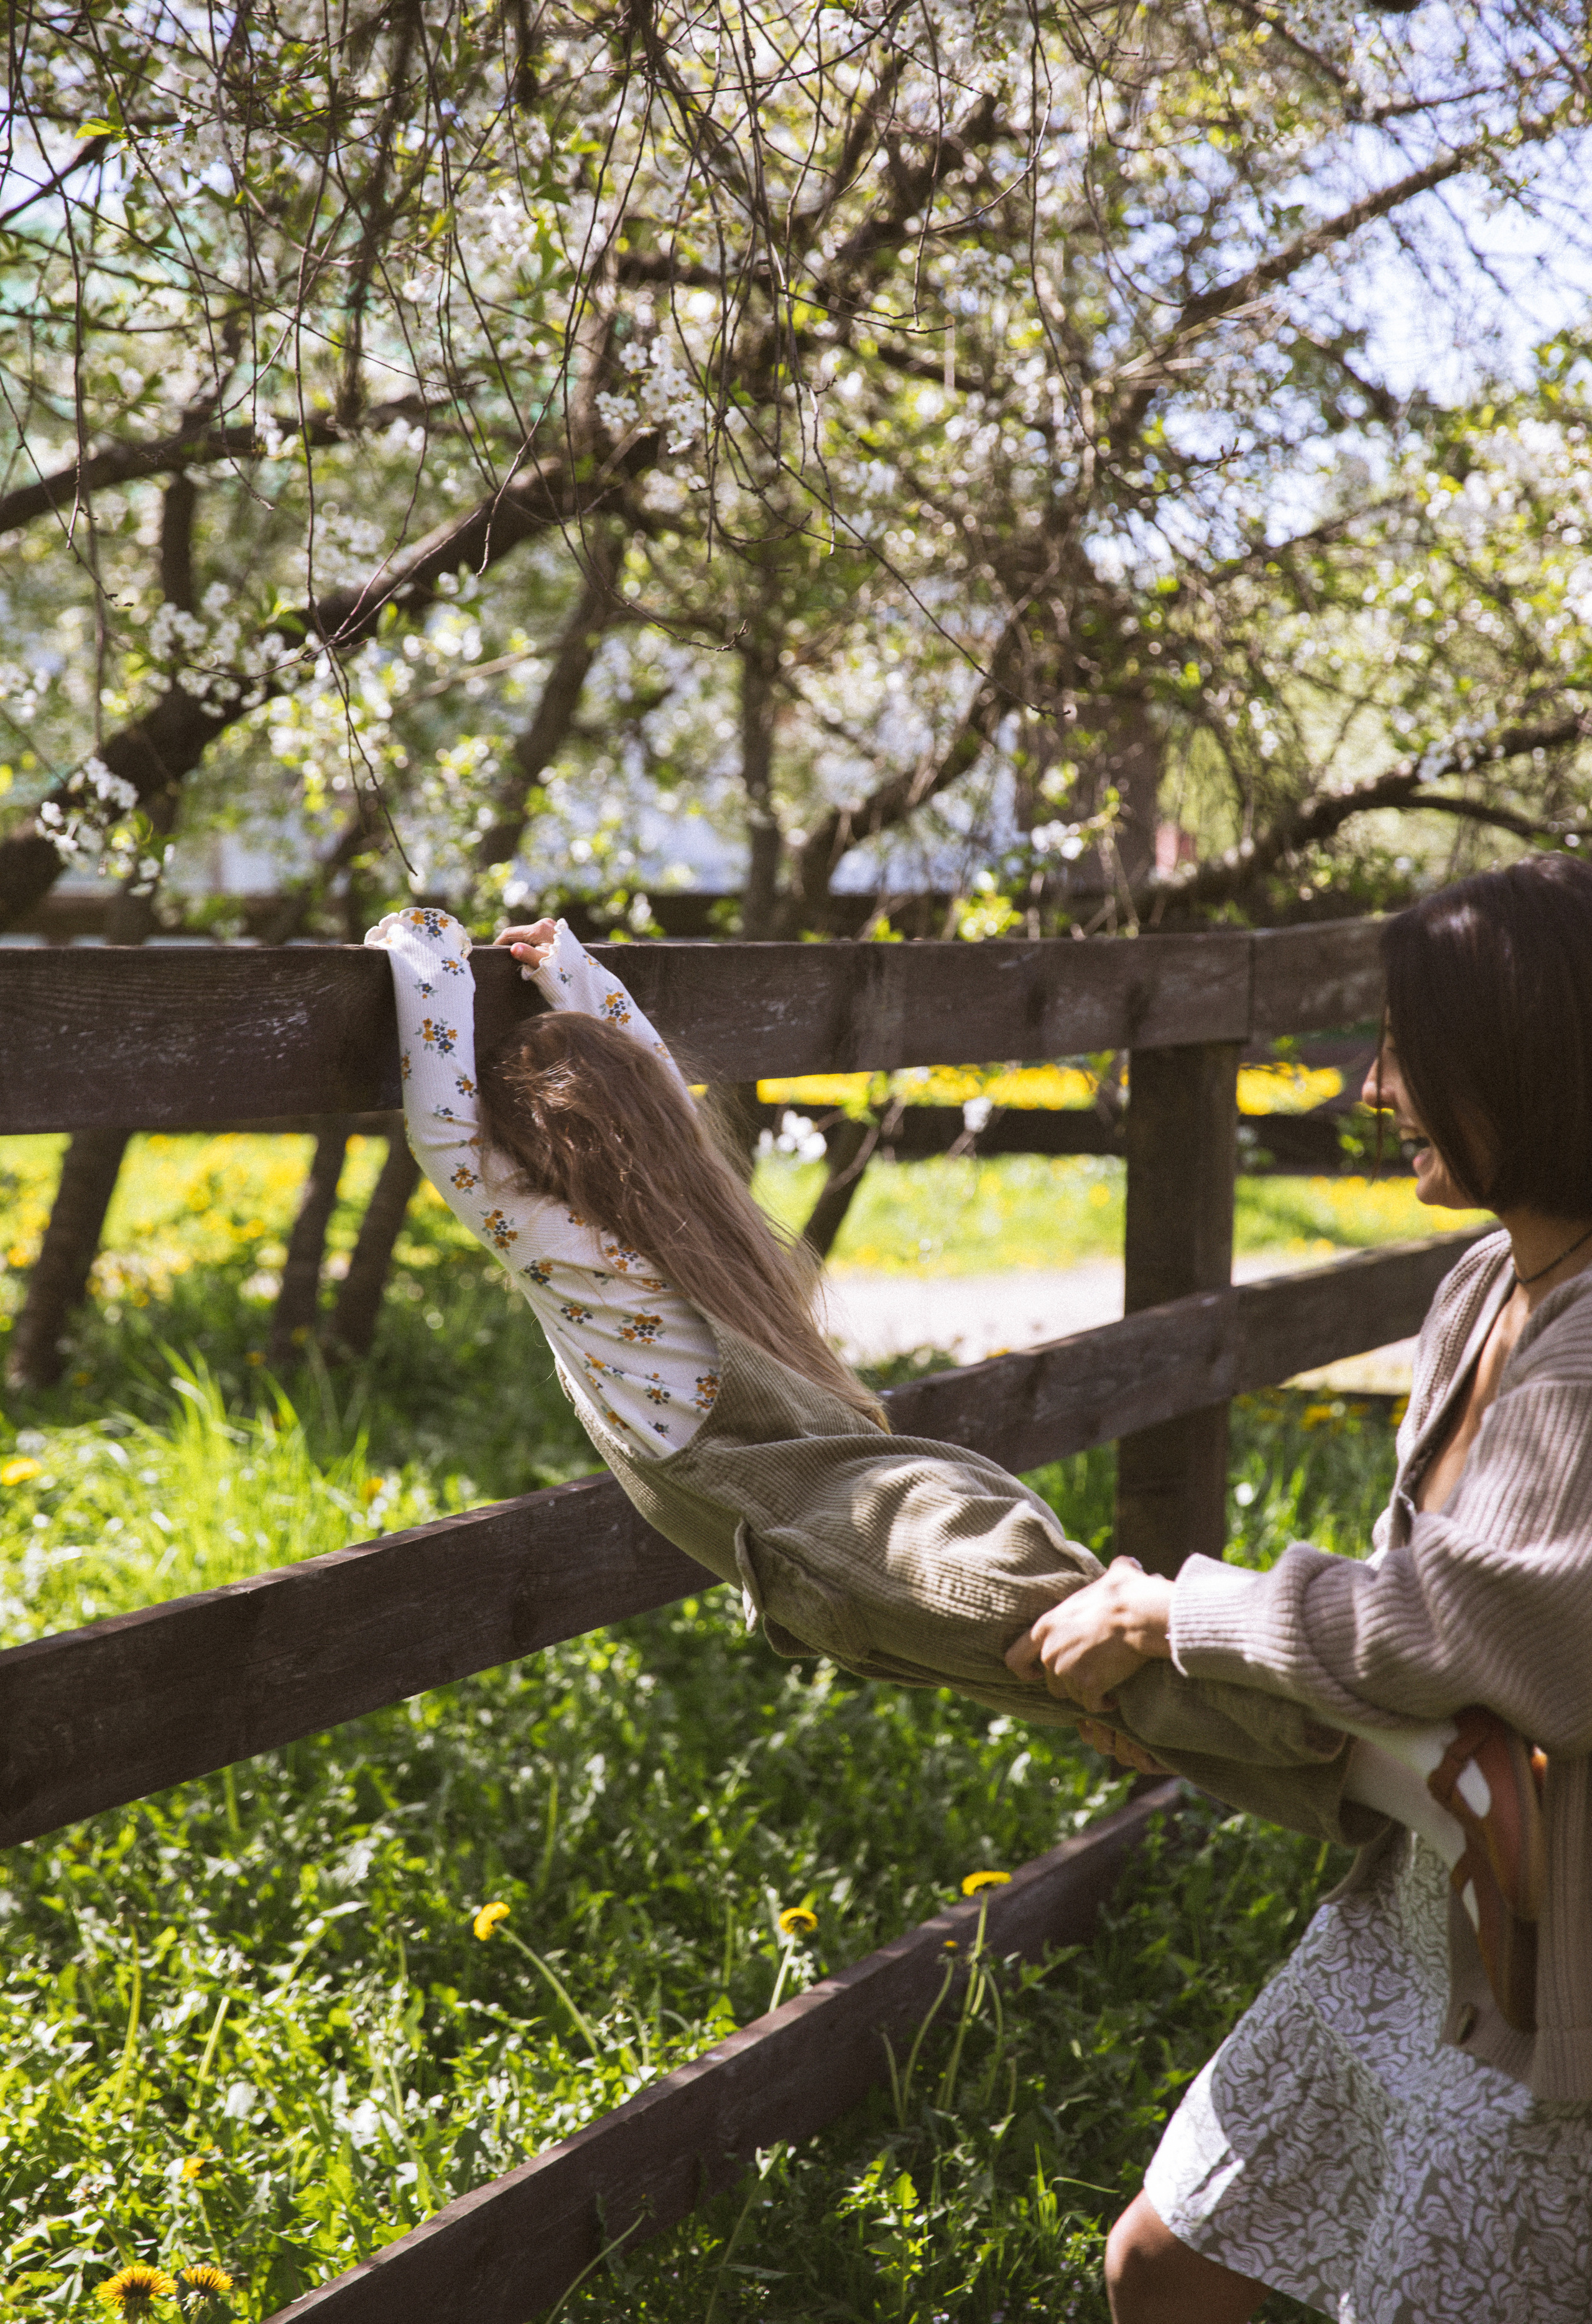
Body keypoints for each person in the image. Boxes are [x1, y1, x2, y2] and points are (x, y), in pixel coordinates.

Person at [366, 899, 1537, 2016]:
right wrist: (572, 975)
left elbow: (448, 1140)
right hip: (904, 1506)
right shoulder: (682, 1223)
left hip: (855, 1542)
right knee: (1109, 1694)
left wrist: (420, 951)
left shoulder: (581, 1266)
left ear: (539, 1171)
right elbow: (657, 1093)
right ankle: (1433, 1800)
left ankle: (1437, 1771)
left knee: (1105, 1665)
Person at [1009, 854, 1592, 2324]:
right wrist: (1209, 1706)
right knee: (1164, 2265)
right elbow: (1415, 1641)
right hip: (1419, 1905)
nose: (1373, 1083)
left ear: (1520, 1063)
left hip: (1553, 1970)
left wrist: (1176, 1617)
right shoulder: (1481, 1292)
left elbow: (1466, 1621)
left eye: (1410, 1049)